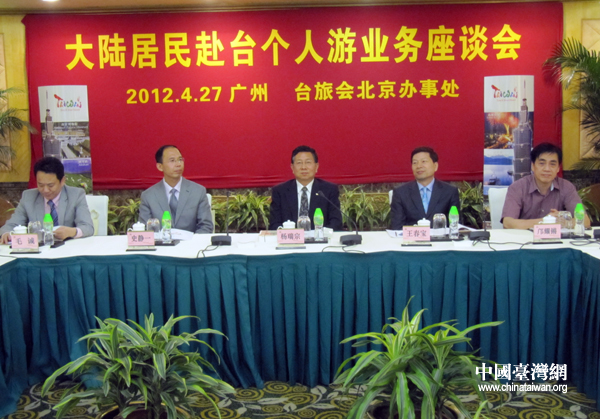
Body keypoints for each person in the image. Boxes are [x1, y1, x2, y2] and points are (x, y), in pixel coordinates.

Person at [0, 157, 94, 244]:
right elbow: (11, 225)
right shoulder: (28, 197)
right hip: (39, 250)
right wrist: (7, 233)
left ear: (62, 181)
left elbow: (88, 227)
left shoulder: (76, 195)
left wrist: (72, 232)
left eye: (50, 185)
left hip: (68, 248)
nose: (45, 190)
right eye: (40, 185)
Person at [501, 142, 590, 229]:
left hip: (556, 238)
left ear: (558, 168)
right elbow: (508, 223)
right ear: (533, 166)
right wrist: (547, 221)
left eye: (552, 164)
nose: (547, 169)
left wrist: (563, 222)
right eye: (542, 163)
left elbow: (585, 221)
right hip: (525, 238)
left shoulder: (567, 187)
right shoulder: (518, 187)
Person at [139, 145, 213, 233]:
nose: (178, 164)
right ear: (160, 166)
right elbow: (144, 230)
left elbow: (206, 226)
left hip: (191, 241)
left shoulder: (198, 192)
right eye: (172, 160)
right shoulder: (148, 196)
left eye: (180, 159)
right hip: (160, 242)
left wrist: (192, 241)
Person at [269, 145, 343, 230]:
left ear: (316, 166)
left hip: (320, 237)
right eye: (299, 163)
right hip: (291, 237)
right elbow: (274, 223)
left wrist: (321, 234)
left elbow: (336, 221)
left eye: (308, 162)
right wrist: (284, 232)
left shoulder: (328, 190)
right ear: (292, 167)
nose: (303, 167)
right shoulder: (280, 191)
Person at [391, 146, 460, 230]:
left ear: (435, 166)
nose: (419, 166)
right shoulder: (400, 193)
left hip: (441, 237)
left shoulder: (450, 192)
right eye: (415, 163)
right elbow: (397, 227)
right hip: (412, 238)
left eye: (423, 161)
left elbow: (455, 225)